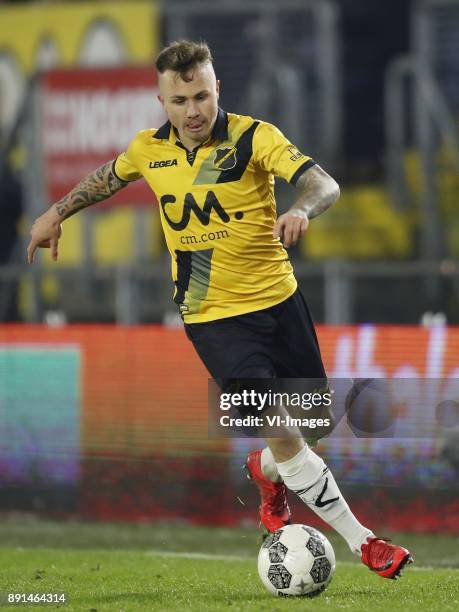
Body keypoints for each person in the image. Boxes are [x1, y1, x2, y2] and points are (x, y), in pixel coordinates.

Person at [27, 40, 412, 579]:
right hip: (212, 318)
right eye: (180, 99)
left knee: (311, 429)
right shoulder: (148, 150)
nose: (193, 111)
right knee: (282, 428)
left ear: (217, 91)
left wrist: (301, 207)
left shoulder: (255, 138)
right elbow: (109, 177)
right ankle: (365, 543)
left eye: (202, 96)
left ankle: (265, 471)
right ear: (161, 100)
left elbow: (323, 183)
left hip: (280, 302)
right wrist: (54, 212)